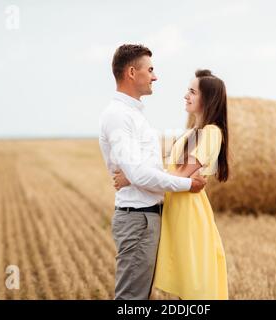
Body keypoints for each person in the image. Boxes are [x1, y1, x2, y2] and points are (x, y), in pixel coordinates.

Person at [98, 44, 207, 300]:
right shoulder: (118, 116)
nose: (155, 76)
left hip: (147, 218)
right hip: (138, 219)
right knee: (131, 301)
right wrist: (188, 185)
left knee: (140, 298)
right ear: (132, 72)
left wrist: (207, 123)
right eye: (151, 70)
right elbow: (139, 174)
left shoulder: (135, 116)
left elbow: (144, 167)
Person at [114, 69, 230, 299]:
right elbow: (175, 173)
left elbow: (182, 174)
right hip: (176, 208)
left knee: (193, 284)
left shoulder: (212, 133)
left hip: (189, 213)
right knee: (183, 281)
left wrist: (132, 175)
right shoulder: (192, 133)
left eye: (192, 91)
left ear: (208, 99)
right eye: (188, 90)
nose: (186, 95)